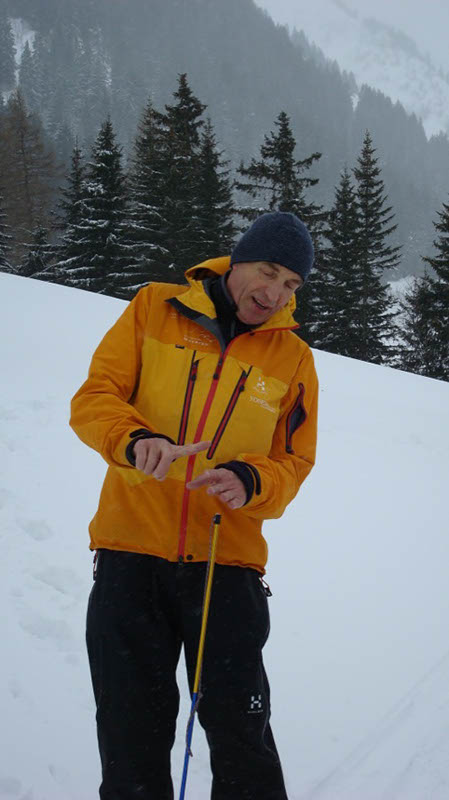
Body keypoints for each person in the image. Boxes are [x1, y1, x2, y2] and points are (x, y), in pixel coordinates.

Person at [70, 211, 319, 800]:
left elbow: (294, 462)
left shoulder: (293, 357)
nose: (276, 292)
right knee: (130, 735)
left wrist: (251, 479)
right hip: (131, 557)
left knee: (242, 741)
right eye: (269, 271)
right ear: (239, 261)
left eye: (291, 283)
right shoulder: (154, 308)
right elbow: (95, 398)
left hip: (226, 567)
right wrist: (135, 440)